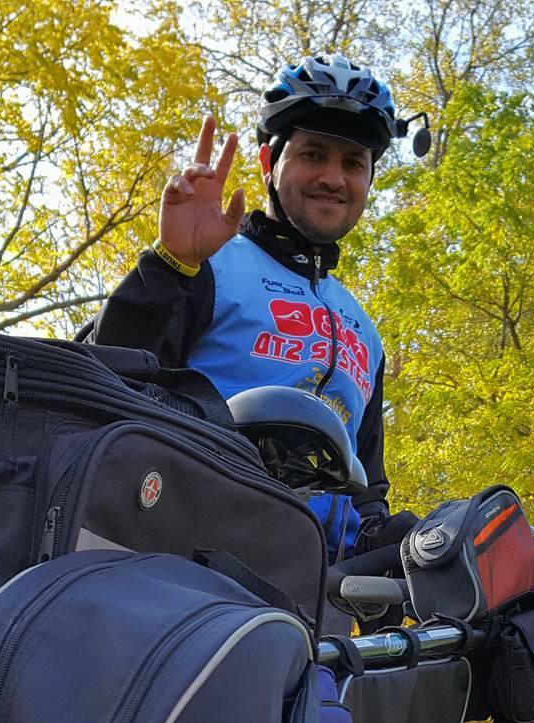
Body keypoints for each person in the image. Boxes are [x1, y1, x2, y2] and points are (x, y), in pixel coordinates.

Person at [83, 53, 421, 561]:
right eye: (313, 155)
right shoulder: (208, 266)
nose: (334, 176)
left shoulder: (365, 332)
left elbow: (366, 488)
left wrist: (399, 544)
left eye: (354, 163)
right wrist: (170, 265)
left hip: (311, 595)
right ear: (269, 163)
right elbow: (104, 381)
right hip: (180, 564)